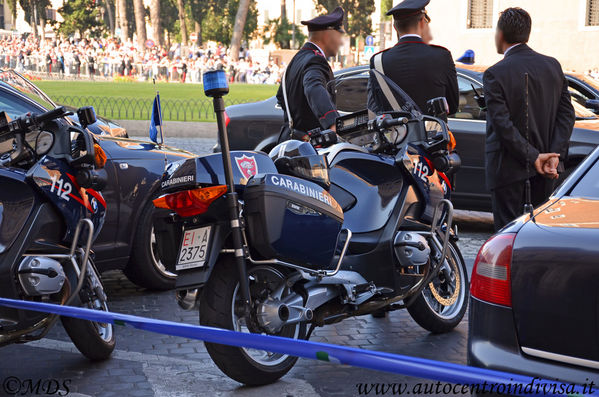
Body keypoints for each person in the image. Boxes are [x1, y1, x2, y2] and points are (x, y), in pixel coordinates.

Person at [484, 8, 575, 231]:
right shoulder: (552, 65)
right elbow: (567, 115)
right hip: (546, 171)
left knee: (507, 236)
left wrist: (535, 157)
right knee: (539, 235)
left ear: (501, 34)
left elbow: (502, 124)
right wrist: (553, 155)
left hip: (508, 172)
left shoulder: (495, 73)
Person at [370, 0, 458, 119]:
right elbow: (452, 106)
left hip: (397, 136)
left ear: (395, 27)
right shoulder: (442, 56)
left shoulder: (378, 61)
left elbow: (376, 107)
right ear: (422, 22)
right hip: (435, 135)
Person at [275, 6, 345, 142]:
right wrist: (333, 124)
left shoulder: (297, 59)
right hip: (309, 148)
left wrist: (298, 119)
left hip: (290, 141)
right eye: (339, 35)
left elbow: (281, 97)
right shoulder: (316, 60)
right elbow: (313, 87)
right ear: (328, 34)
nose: (341, 42)